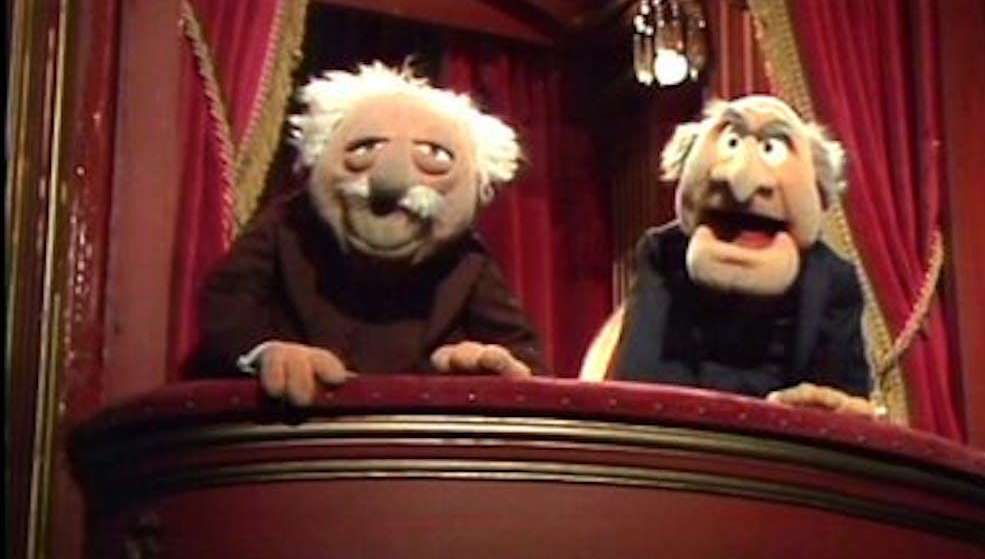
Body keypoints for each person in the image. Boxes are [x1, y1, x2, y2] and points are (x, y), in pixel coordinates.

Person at [192, 62, 545, 406]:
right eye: (364, 148)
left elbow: (523, 355)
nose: (389, 181)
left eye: (433, 155)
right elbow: (229, 302)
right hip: (294, 424)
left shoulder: (468, 259)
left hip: (410, 431)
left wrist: (488, 364)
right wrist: (267, 351)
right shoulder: (287, 224)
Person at [597, 94, 876, 417]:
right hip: (686, 432)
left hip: (783, 442)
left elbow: (846, 395)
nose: (742, 184)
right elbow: (639, 377)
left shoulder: (832, 280)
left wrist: (831, 408)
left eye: (771, 149)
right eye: (731, 142)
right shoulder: (664, 254)